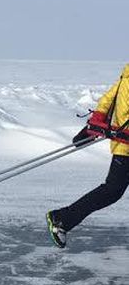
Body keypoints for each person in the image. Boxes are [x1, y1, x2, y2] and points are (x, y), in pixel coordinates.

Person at [47, 63, 129, 248]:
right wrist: (94, 125)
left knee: (112, 191)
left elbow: (108, 99)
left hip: (123, 144)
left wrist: (95, 122)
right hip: (125, 147)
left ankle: (62, 219)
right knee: (111, 191)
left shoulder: (127, 74)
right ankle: (61, 219)